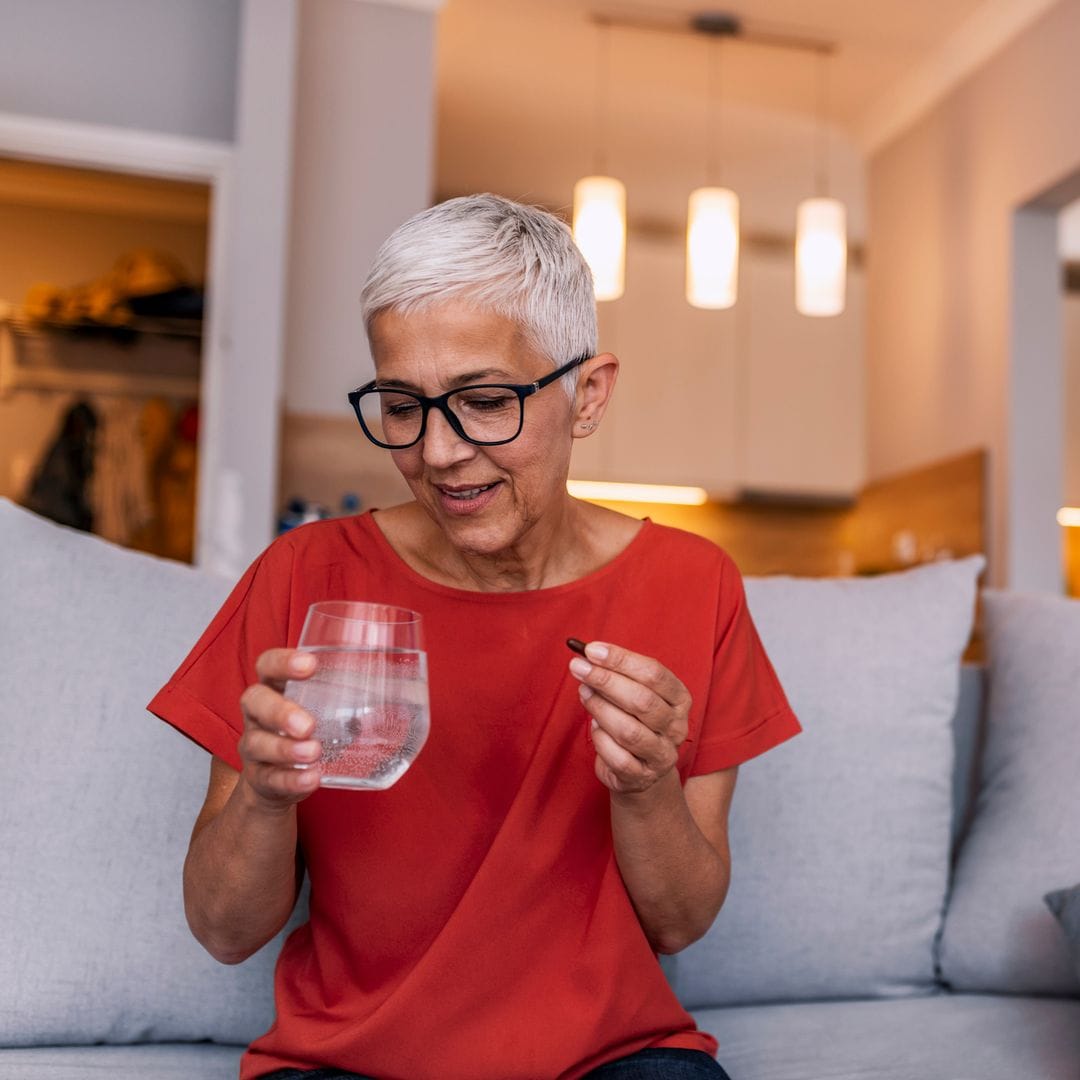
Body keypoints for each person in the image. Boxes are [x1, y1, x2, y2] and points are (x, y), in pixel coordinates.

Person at [148, 193, 802, 1080]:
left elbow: (680, 923)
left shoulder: (693, 585)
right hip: (350, 1065)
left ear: (587, 394)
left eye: (485, 400)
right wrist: (265, 800)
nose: (440, 452)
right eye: (401, 405)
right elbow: (223, 931)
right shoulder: (305, 578)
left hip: (614, 1060)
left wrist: (646, 785)